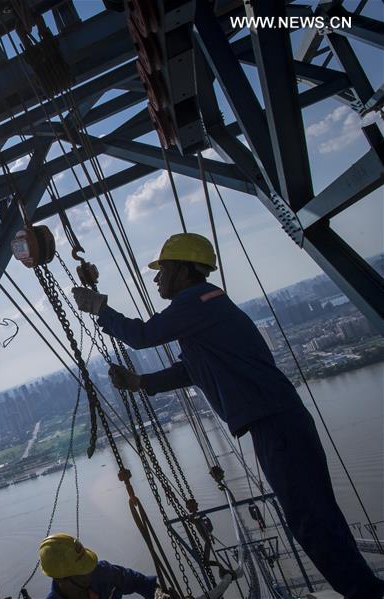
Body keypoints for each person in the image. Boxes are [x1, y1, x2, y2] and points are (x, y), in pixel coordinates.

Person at [72, 232, 384, 599]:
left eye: (163, 270)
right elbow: (190, 369)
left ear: (185, 270)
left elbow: (142, 335)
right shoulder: (207, 307)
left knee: (310, 521)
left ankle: (365, 594)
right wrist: (141, 381)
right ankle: (367, 589)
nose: (156, 279)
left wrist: (100, 309)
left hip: (274, 423)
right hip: (277, 419)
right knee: (317, 514)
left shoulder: (196, 303)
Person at [39, 533, 157, 598]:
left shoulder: (102, 573)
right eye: (81, 574)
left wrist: (157, 591)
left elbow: (140, 583)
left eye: (87, 568)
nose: (88, 575)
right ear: (59, 579)